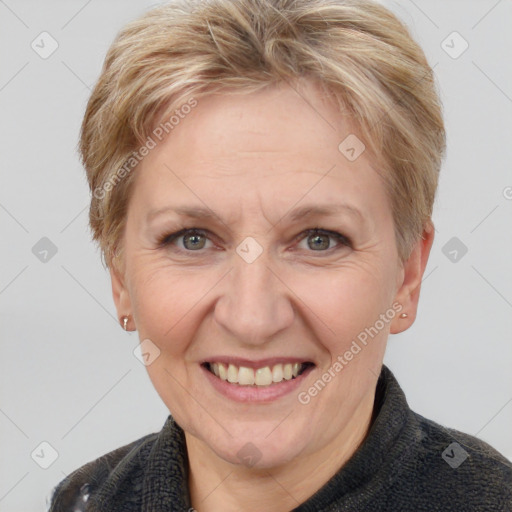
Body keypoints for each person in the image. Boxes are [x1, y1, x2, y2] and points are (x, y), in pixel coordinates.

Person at [48, 0, 512, 510]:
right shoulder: (86, 499)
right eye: (192, 239)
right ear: (119, 275)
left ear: (407, 276)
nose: (252, 319)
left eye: (319, 239)